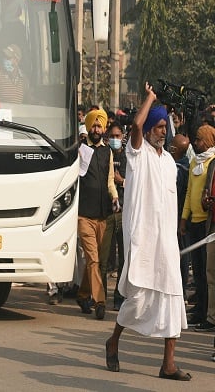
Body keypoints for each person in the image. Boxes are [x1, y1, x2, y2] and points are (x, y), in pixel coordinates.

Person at [105, 83, 190, 381]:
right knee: (138, 299)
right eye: (160, 126)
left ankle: (168, 363)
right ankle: (114, 340)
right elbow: (137, 124)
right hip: (143, 239)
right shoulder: (136, 154)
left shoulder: (168, 161)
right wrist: (151, 98)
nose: (164, 131)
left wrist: (176, 111)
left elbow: (184, 139)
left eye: (166, 126)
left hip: (166, 242)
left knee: (173, 298)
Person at [76, 108, 118, 320]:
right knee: (92, 259)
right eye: (93, 125)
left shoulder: (108, 152)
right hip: (84, 214)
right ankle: (99, 301)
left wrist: (115, 196)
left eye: (99, 125)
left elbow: (110, 180)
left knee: (97, 260)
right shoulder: (81, 149)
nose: (96, 128)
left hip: (103, 214)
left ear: (104, 129)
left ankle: (83, 294)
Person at [179, 123, 215, 331]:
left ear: (208, 141)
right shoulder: (195, 162)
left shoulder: (212, 162)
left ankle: (207, 312)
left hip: (207, 224)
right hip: (194, 221)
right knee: (199, 270)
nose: (196, 143)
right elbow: (189, 193)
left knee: (206, 270)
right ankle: (200, 307)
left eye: (200, 140)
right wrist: (184, 219)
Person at [106, 122, 126, 311]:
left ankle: (119, 297)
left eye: (118, 136)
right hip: (105, 211)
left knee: (123, 259)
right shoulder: (104, 153)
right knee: (104, 257)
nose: (115, 140)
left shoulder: (128, 157)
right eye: (112, 136)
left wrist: (123, 181)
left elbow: (137, 183)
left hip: (123, 212)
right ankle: (99, 297)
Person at [170, 133, 191, 295]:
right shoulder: (187, 166)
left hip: (178, 217)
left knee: (181, 253)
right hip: (182, 216)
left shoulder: (178, 170)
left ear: (174, 149)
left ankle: (180, 289)